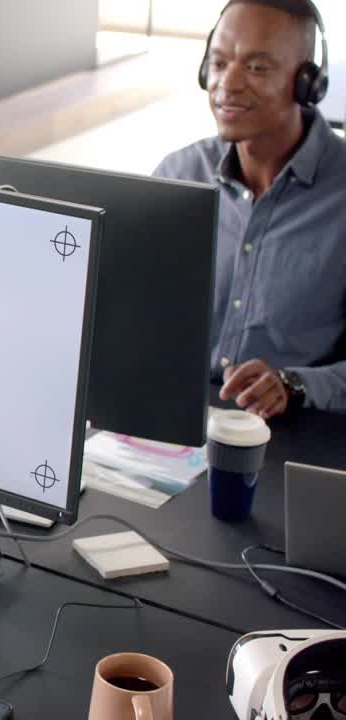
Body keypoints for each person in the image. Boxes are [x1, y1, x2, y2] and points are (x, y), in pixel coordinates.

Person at [154, 0, 346, 419]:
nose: (228, 84)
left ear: (307, 83)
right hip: (177, 422)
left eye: (257, 68)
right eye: (219, 63)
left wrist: (296, 385)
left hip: (296, 432)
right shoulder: (178, 175)